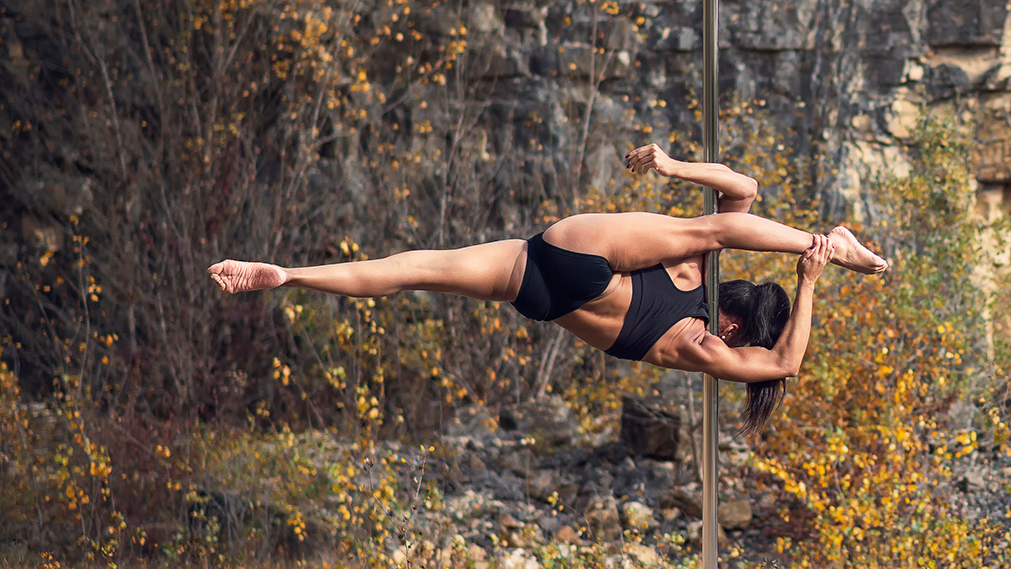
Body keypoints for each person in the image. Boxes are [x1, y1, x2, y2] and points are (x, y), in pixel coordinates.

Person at [207, 144, 887, 434]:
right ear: (740, 328)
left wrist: (674, 165)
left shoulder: (699, 274)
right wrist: (811, 287)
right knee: (412, 278)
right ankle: (289, 277)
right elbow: (785, 364)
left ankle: (290, 271)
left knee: (411, 263)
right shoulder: (699, 344)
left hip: (558, 249)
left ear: (735, 312)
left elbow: (742, 191)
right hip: (544, 291)